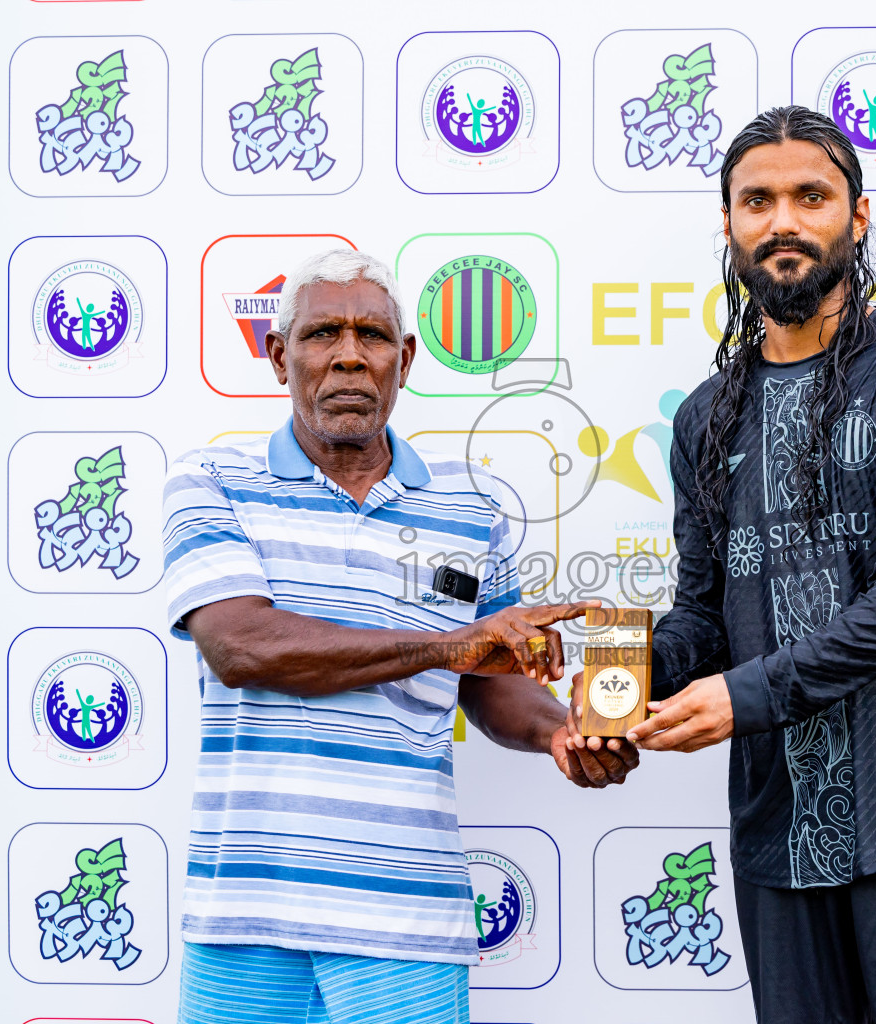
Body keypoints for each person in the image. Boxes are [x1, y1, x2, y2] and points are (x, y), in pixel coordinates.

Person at [569, 106, 876, 1023]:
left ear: (856, 218)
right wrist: (610, 685)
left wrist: (744, 699)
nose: (783, 221)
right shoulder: (707, 413)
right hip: (781, 835)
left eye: (809, 197)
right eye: (757, 201)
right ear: (732, 226)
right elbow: (705, 614)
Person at [163, 248, 639, 1024]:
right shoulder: (213, 481)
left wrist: (562, 734)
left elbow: (493, 680)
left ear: (404, 359)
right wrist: (447, 645)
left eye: (372, 336)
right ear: (280, 355)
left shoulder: (470, 506)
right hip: (245, 912)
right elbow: (242, 646)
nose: (349, 354)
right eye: (322, 334)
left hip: (408, 921)